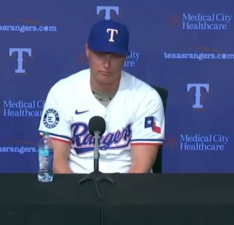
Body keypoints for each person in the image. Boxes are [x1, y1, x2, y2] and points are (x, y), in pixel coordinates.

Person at [38, 19, 165, 174]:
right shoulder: (62, 92)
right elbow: (57, 164)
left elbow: (141, 167)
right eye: (100, 54)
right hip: (74, 188)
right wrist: (76, 197)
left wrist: (121, 198)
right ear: (87, 50)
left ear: (125, 56)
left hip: (129, 190)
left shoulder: (147, 97)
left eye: (115, 55)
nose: (106, 63)